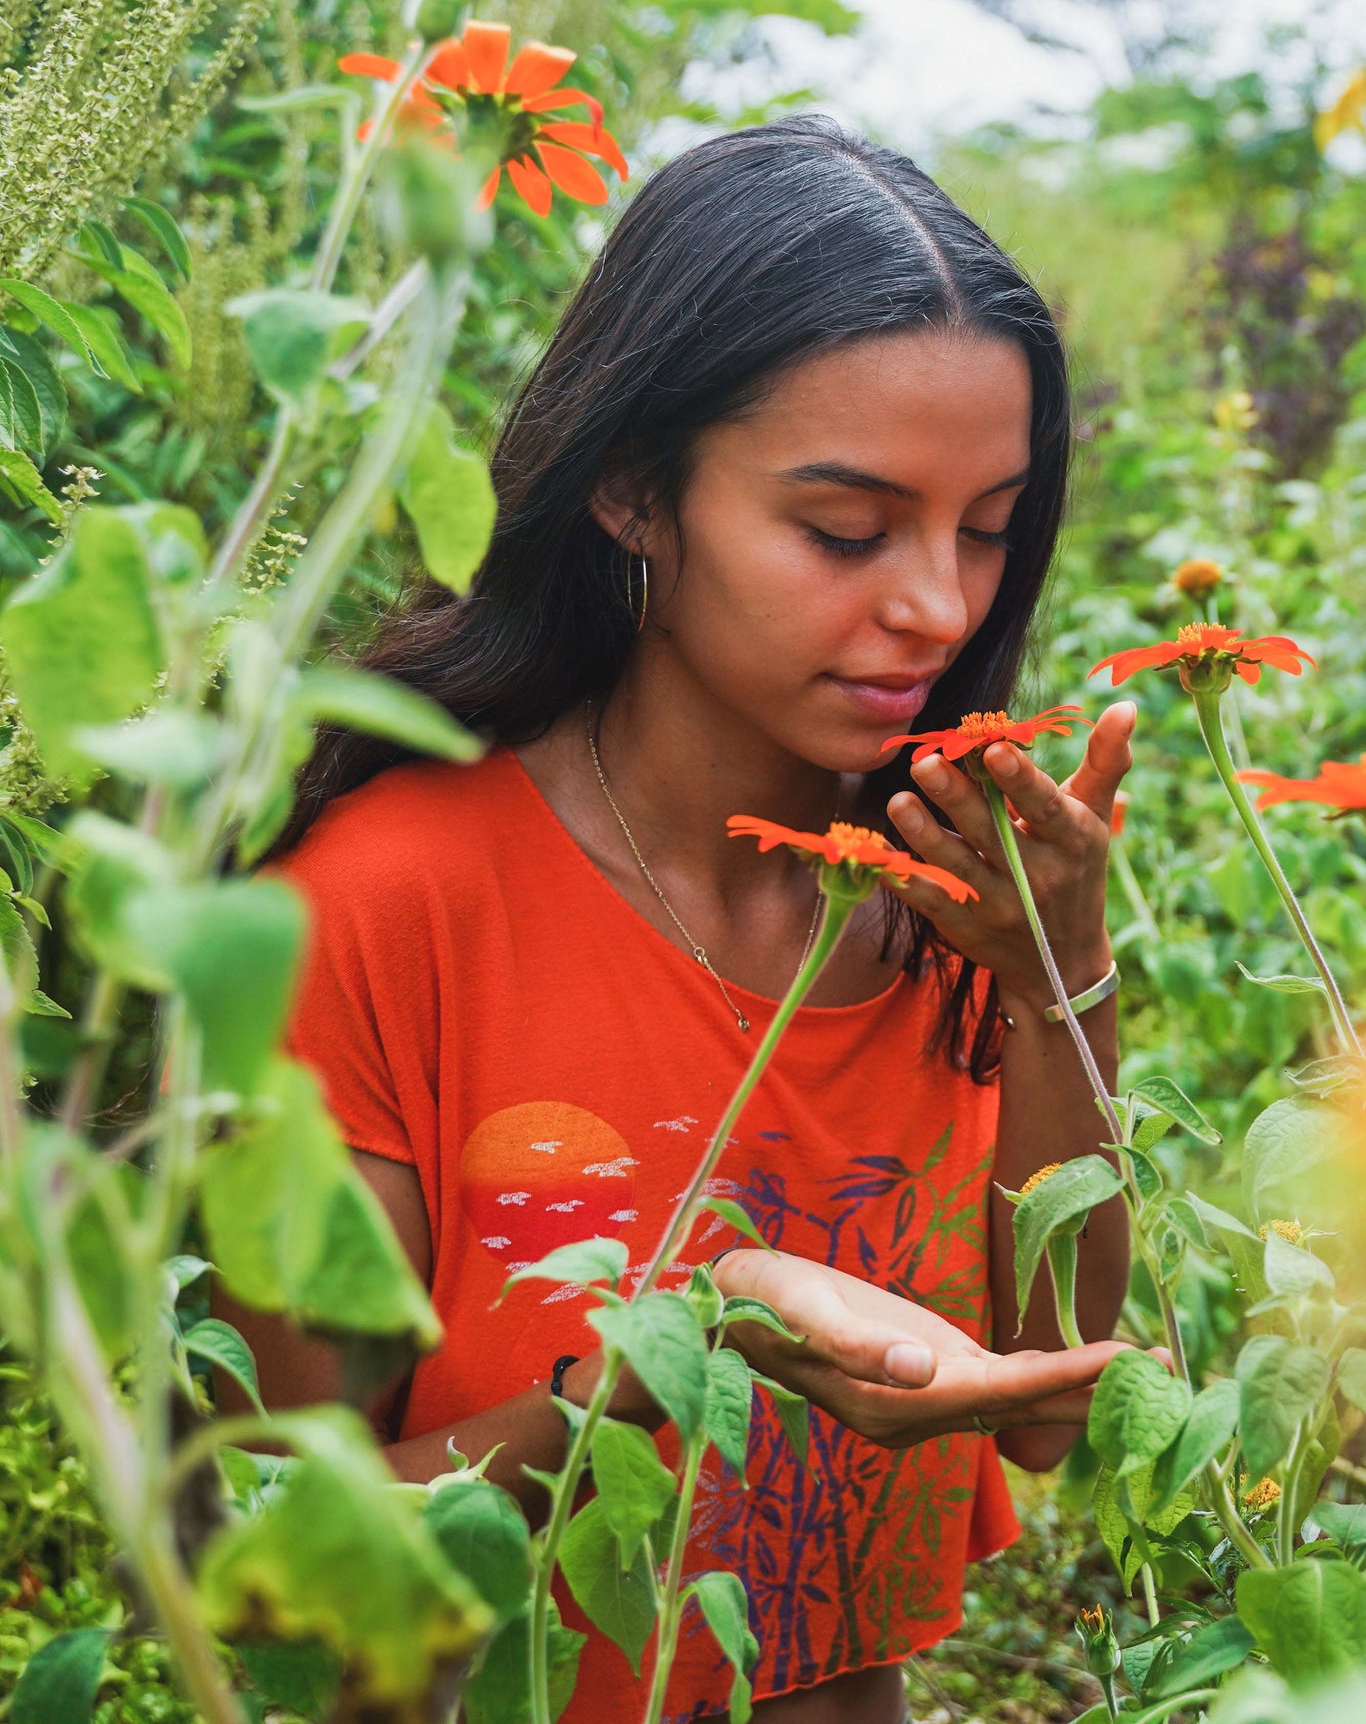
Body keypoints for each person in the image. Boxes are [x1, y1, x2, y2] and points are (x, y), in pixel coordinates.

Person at [220, 119, 1136, 1724]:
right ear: (634, 492)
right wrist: (682, 1337)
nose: (938, 605)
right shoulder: (380, 908)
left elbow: (1046, 1409)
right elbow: (302, 1557)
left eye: (988, 525)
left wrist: (1061, 979)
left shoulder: (935, 897)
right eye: (845, 531)